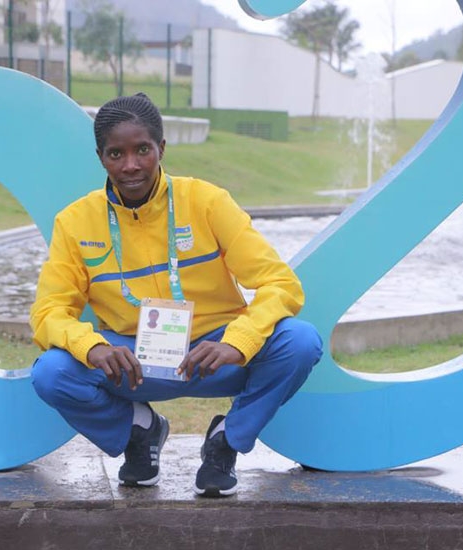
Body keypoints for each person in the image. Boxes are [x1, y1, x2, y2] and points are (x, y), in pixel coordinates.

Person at [29, 92, 322, 497]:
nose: (130, 165)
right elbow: (48, 313)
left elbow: (281, 284)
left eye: (142, 150)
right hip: (132, 362)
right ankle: (139, 432)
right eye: (116, 153)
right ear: (100, 157)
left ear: (161, 149)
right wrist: (92, 346)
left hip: (214, 356)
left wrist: (238, 343)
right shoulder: (74, 222)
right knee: (51, 372)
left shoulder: (207, 202)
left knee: (300, 341)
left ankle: (226, 442)